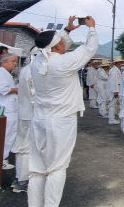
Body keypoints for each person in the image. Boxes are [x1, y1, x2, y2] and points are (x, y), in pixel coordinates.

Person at [28, 16, 98, 207]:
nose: (64, 43)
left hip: (39, 119)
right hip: (60, 121)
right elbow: (90, 48)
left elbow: (59, 46)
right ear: (57, 47)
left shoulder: (36, 63)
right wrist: (91, 28)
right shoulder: (64, 63)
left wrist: (66, 31)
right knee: (57, 169)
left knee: (37, 170)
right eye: (61, 41)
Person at [11, 48, 37, 193]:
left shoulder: (27, 69)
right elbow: (34, 95)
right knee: (26, 147)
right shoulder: (33, 70)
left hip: (25, 113)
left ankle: (21, 178)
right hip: (31, 114)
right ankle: (22, 180)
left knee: (24, 146)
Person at [0, 54, 19, 170]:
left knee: (6, 134)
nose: (15, 64)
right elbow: (3, 89)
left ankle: (1, 158)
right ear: (4, 62)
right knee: (6, 134)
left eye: (16, 61)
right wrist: (17, 89)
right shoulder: (1, 73)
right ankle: (1, 159)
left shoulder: (2, 73)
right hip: (5, 108)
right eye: (12, 61)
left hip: (5, 107)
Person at [107, 57, 124, 125]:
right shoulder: (114, 70)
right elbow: (113, 82)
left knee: (114, 104)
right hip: (114, 89)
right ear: (117, 63)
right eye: (121, 63)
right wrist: (115, 91)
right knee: (112, 104)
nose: (121, 64)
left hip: (116, 89)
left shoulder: (116, 69)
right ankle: (111, 119)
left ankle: (112, 118)